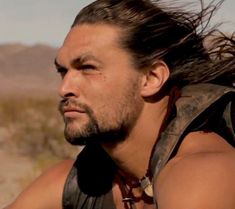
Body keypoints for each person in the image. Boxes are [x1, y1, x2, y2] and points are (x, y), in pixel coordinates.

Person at [5, 0, 235, 208]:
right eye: (63, 71)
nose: (64, 88)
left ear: (151, 78)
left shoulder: (202, 173)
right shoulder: (81, 182)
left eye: (87, 68)